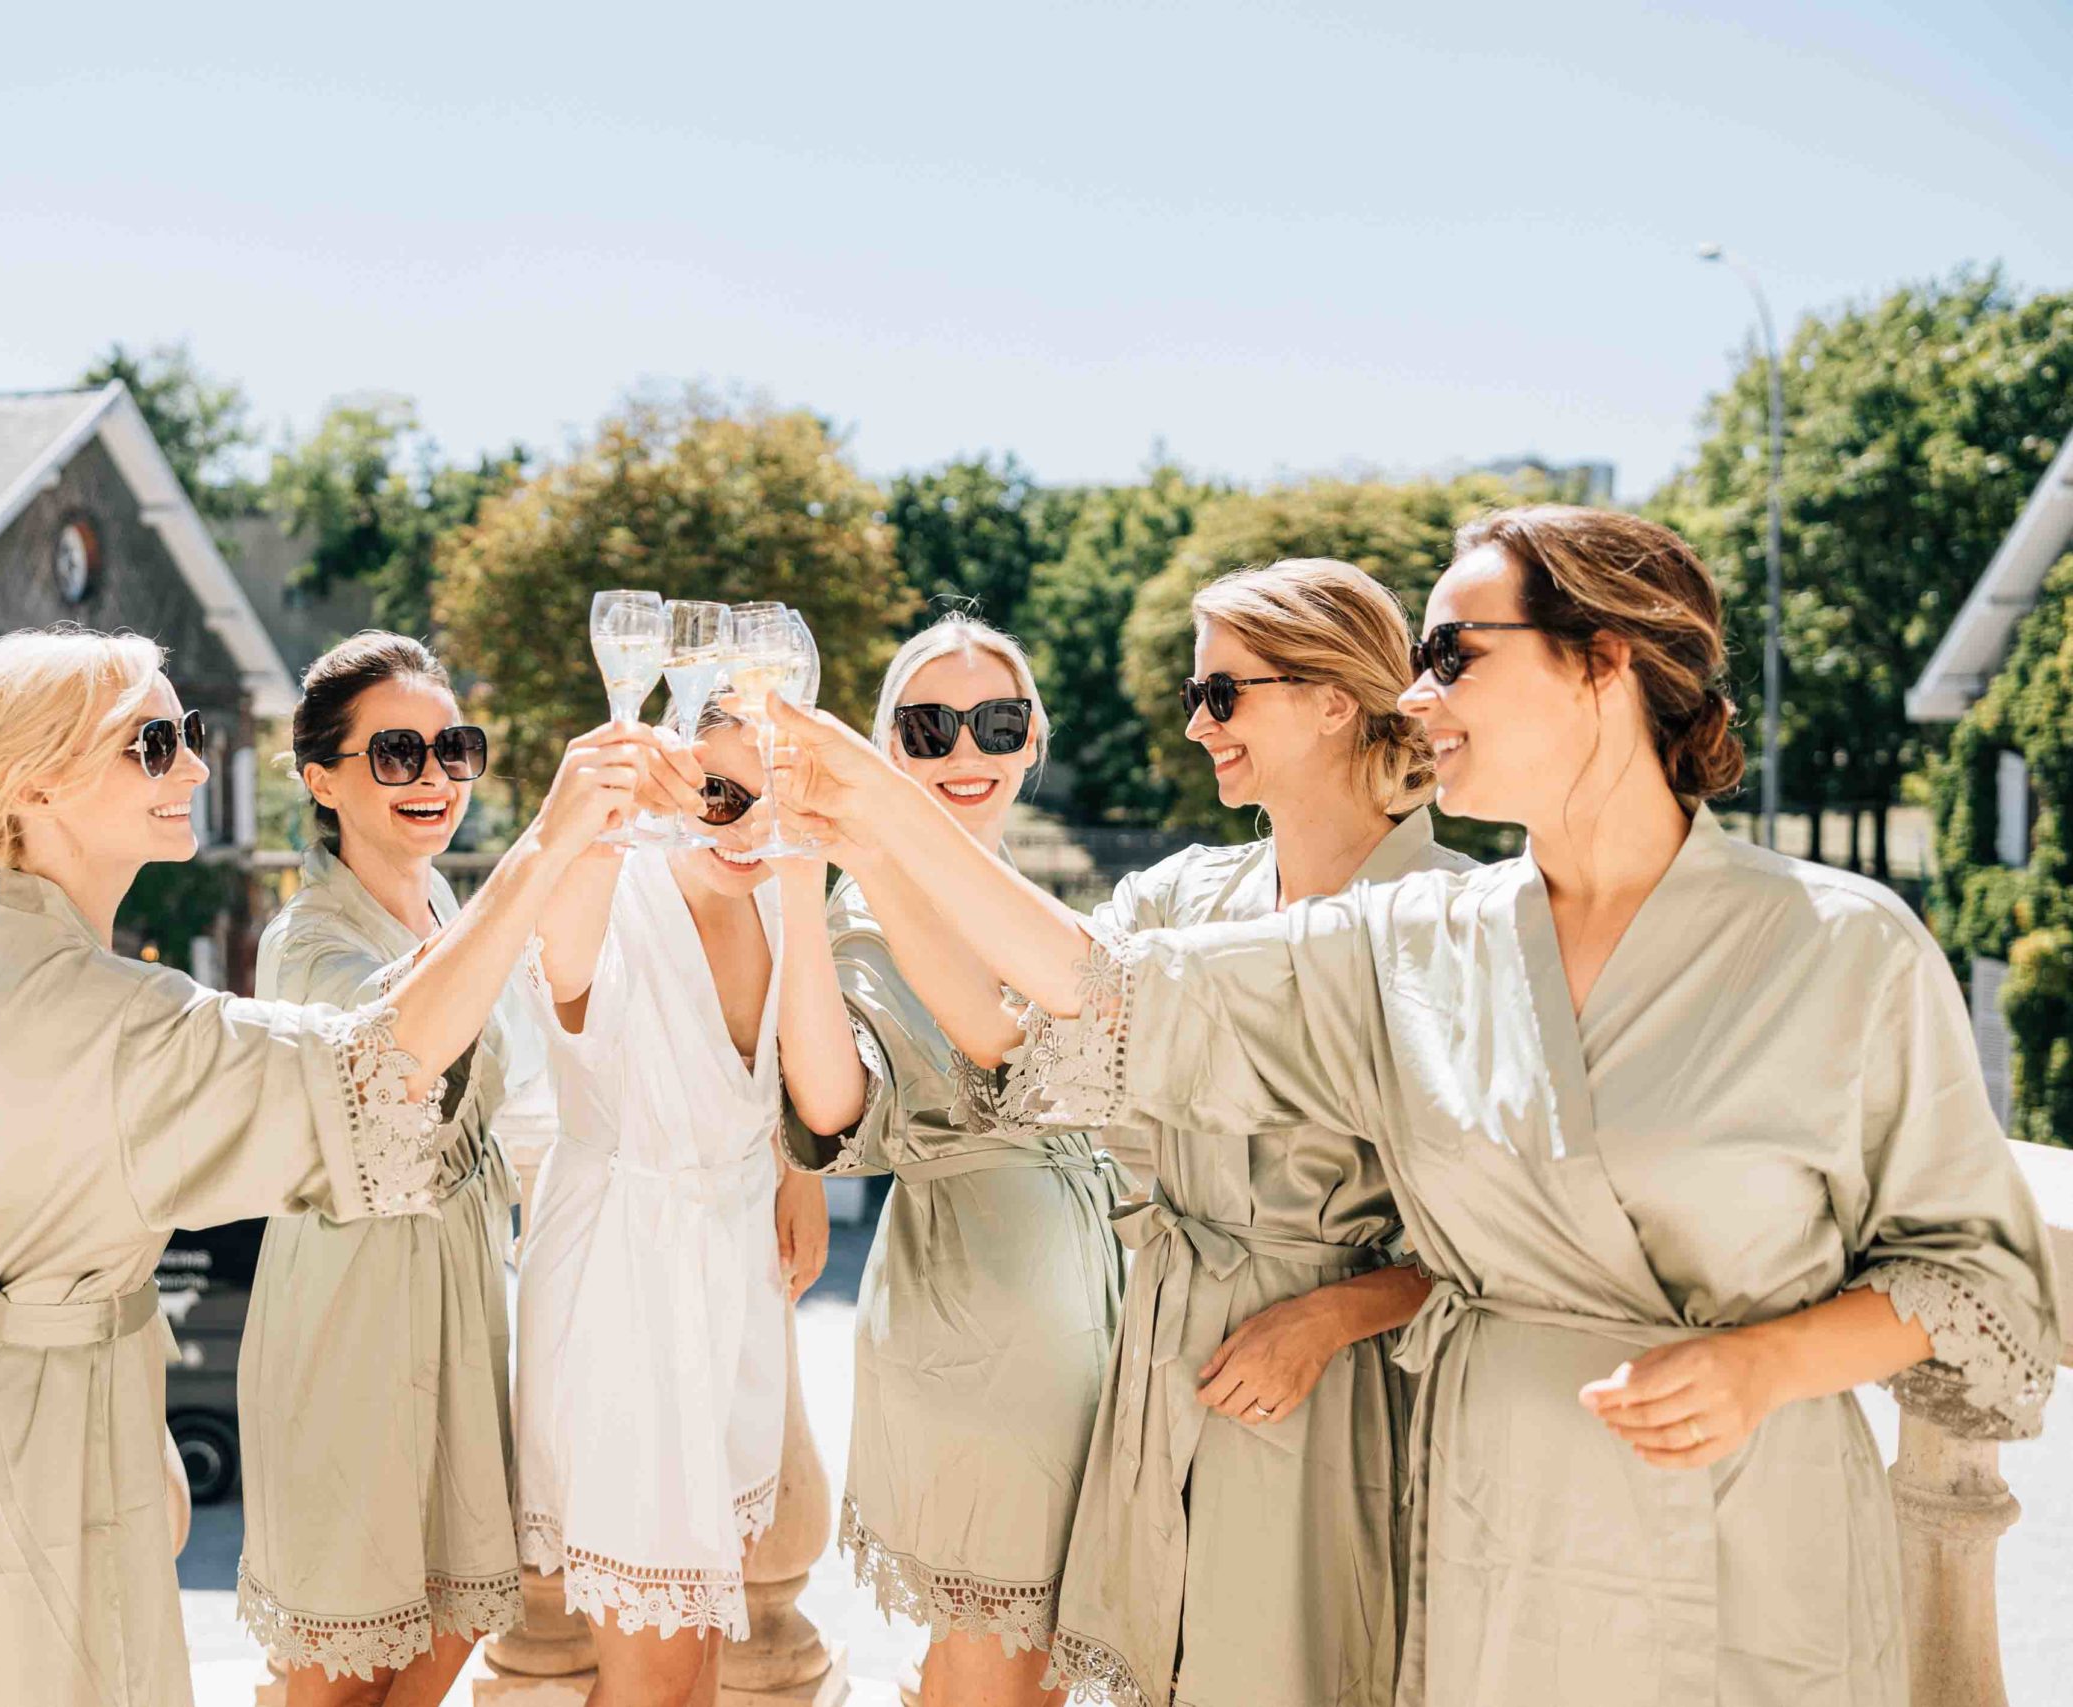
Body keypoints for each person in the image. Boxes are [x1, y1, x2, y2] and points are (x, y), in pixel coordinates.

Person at [766, 507, 2062, 1705]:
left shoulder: (1841, 946)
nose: (1417, 692)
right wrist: (870, 818)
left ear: (1602, 661)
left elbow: (1984, 1278)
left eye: (1451, 653)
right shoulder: (1419, 936)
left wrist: (1762, 1361)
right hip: (1485, 1535)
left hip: (1748, 1542)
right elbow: (1103, 998)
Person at [0, 627, 697, 1707]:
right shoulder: (111, 1013)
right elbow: (374, 1070)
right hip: (29, 1464)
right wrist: (547, 842)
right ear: (36, 785)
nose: (195, 767)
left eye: (188, 733)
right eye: (152, 744)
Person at [1039, 561, 1473, 1707]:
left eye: (1222, 693)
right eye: (1196, 695)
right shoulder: (1178, 898)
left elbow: (1519, 1236)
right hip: (1165, 1367)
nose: (1197, 724)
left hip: (1347, 1399)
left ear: (1332, 698)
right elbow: (1035, 1010)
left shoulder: (1462, 920)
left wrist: (1335, 1314)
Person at [775, 615, 1125, 1707]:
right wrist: (800, 881)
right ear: (887, 751)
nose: (965, 752)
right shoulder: (867, 908)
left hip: (1090, 1301)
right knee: (994, 1654)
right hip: (978, 1305)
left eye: (997, 723)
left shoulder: (1033, 904)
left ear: (1034, 740)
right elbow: (834, 1107)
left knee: (1039, 1661)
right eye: (930, 728)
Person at [516, 699, 858, 1707]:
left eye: (772, 795)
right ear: (665, 779)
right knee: (656, 1678)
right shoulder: (612, 887)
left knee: (697, 1660)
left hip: (733, 1290)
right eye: (716, 793)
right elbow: (563, 965)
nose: (744, 822)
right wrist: (604, 813)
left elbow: (808, 1088)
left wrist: (797, 1173)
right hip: (623, 1294)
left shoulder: (776, 897)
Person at [234, 634, 528, 1706]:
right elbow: (397, 1062)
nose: (435, 775)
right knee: (338, 1671)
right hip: (350, 1309)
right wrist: (538, 866)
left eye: (453, 748)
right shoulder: (307, 939)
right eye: (396, 753)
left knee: (453, 1620)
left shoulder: (442, 900)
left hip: (457, 1293)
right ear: (322, 780)